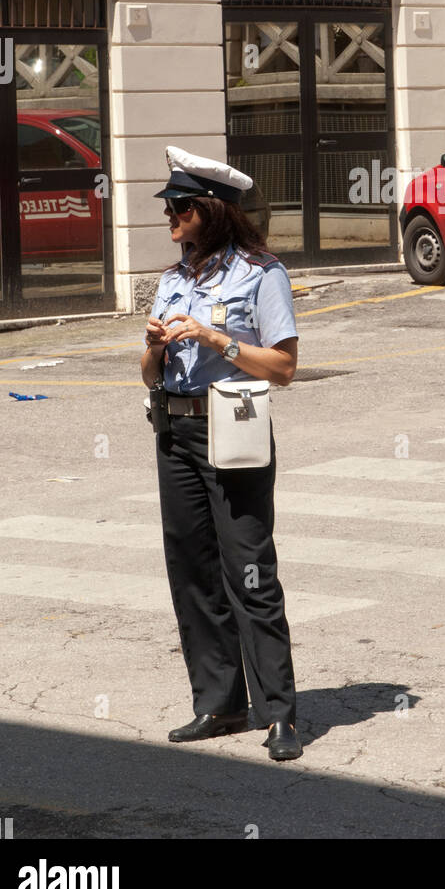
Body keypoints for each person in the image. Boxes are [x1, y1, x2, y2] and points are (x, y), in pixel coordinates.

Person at [140, 145, 302, 761]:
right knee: (192, 569)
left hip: (233, 430)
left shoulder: (261, 274)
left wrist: (214, 337)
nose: (169, 218)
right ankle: (219, 701)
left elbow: (284, 366)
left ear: (209, 211)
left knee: (250, 569)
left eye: (178, 207)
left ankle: (279, 712)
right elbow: (147, 373)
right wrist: (154, 346)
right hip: (175, 431)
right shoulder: (172, 279)